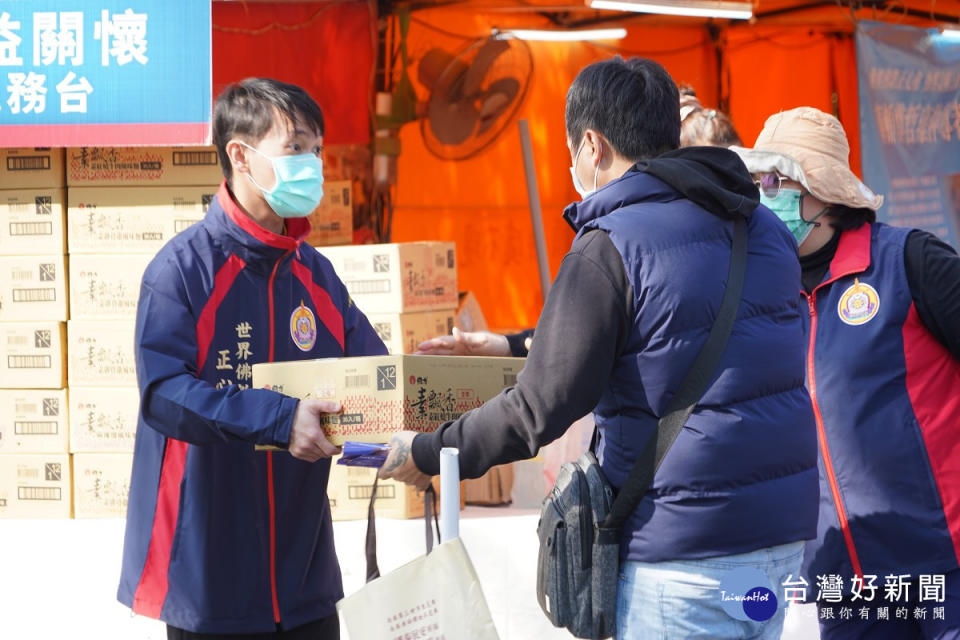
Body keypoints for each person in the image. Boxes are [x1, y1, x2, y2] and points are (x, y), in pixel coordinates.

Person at [382, 56, 819, 639]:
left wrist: (433, 449)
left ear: (591, 145)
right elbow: (666, 336)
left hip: (678, 554)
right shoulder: (762, 228)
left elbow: (540, 405)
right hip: (775, 544)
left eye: (570, 150)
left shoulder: (610, 243)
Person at [117, 78, 387, 639]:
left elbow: (372, 378)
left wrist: (418, 430)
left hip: (305, 574)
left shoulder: (316, 275)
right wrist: (279, 418)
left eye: (316, 150)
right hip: (208, 573)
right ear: (240, 155)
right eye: (296, 149)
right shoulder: (181, 271)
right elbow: (163, 393)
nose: (312, 164)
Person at [733, 107, 960, 639]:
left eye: (775, 181)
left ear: (824, 191)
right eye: (757, 182)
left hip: (943, 567)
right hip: (846, 587)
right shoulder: (763, 295)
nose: (765, 197)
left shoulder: (908, 262)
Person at [416, 85, 741, 360]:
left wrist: (429, 438)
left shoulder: (621, 243)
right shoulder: (758, 229)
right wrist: (508, 345)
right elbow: (588, 336)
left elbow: (556, 386)